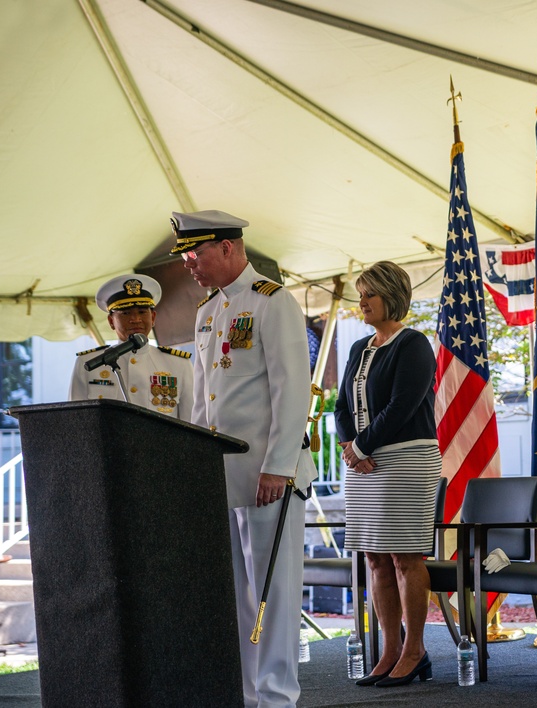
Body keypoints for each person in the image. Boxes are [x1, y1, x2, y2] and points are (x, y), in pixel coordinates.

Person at [172, 209, 317, 708]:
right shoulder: (208, 310)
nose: (189, 264)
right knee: (236, 597)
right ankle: (249, 695)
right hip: (224, 476)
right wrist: (194, 469)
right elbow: (202, 402)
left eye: (195, 253)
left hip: (267, 476)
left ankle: (277, 697)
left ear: (228, 247)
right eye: (186, 255)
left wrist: (278, 464)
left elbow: (292, 390)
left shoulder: (273, 303)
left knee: (274, 595)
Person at [334, 261, 439, 688]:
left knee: (405, 557)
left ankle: (416, 650)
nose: (362, 302)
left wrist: (359, 447)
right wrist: (350, 445)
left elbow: (403, 406)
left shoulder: (413, 344)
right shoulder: (360, 348)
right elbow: (341, 407)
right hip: (365, 463)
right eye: (360, 295)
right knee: (376, 559)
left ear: (391, 296)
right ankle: (389, 650)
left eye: (369, 294)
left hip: (406, 459)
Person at [69, 273, 192, 420]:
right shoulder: (88, 363)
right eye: (126, 313)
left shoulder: (179, 364)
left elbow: (191, 423)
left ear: (152, 318)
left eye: (142, 312)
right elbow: (76, 421)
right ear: (111, 321)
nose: (135, 319)